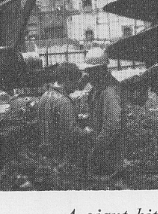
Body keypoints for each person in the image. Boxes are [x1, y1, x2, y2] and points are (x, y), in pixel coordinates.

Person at [83, 47, 125, 183]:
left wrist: (96, 149)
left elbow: (112, 126)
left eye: (91, 71)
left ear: (101, 70)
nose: (88, 75)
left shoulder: (110, 91)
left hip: (109, 155)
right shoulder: (97, 89)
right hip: (102, 154)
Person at [36, 63, 90, 172]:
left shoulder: (45, 96)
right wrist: (86, 131)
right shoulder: (64, 102)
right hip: (62, 156)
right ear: (66, 80)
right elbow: (71, 132)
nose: (76, 87)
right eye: (75, 82)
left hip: (46, 152)